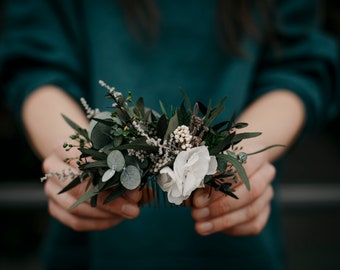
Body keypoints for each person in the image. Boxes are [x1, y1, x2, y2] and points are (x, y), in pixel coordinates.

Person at [0, 0, 338, 269]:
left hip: (237, 246)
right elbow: (33, 62)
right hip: (92, 250)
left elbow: (298, 64)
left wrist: (248, 153)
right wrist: (77, 159)